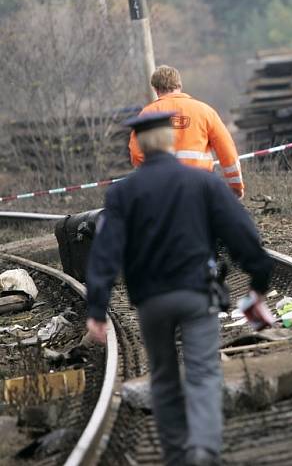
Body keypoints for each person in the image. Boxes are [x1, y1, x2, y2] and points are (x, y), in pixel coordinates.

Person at [85, 112, 276, 466]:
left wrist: (97, 307)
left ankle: (176, 455)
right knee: (203, 371)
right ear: (172, 142)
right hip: (196, 294)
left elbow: (105, 251)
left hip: (151, 301)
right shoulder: (202, 183)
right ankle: (203, 451)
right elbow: (242, 235)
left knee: (163, 377)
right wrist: (259, 281)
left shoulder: (123, 193)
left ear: (139, 147)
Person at [129, 65, 245, 199]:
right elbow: (227, 150)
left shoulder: (147, 114)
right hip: (201, 185)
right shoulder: (205, 111)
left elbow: (136, 154)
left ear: (155, 88)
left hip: (163, 189)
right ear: (179, 85)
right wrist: (236, 186)